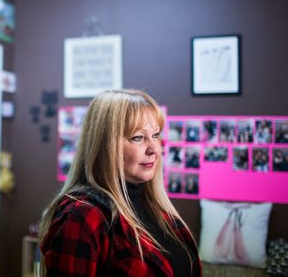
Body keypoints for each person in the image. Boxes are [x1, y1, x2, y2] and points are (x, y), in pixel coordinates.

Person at [39, 89, 201, 276]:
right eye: (138, 138)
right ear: (106, 145)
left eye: (156, 135)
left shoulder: (157, 210)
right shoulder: (83, 216)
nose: (154, 149)